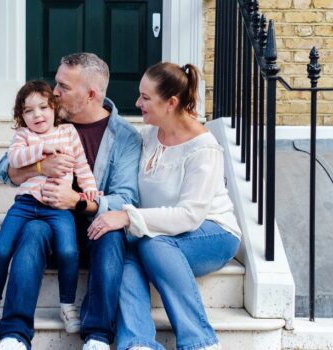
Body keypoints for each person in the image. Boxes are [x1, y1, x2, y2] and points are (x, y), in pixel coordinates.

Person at [87, 62, 242, 350]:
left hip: (211, 233)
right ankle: (138, 343)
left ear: (171, 103)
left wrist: (126, 216)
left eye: (145, 98)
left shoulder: (203, 148)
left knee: (151, 245)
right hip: (156, 234)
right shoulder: (147, 136)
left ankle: (200, 342)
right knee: (129, 255)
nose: (137, 103)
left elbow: (190, 216)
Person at [0, 53, 142, 350]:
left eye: (63, 86)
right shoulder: (48, 119)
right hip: (48, 222)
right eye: (56, 82)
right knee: (33, 231)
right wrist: (38, 168)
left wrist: (75, 201)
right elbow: (4, 170)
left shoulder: (125, 138)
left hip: (91, 227)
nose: (54, 91)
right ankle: (14, 335)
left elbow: (125, 199)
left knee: (111, 234)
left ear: (90, 94)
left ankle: (98, 336)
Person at [0, 80, 101, 334]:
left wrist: (89, 189)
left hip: (58, 207)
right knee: (1, 250)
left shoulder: (68, 133)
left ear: (54, 108)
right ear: (21, 116)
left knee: (67, 251)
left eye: (43, 107)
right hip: (26, 204)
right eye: (28, 111)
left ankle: (67, 306)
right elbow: (14, 159)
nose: (37, 115)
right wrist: (43, 149)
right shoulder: (23, 136)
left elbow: (81, 165)